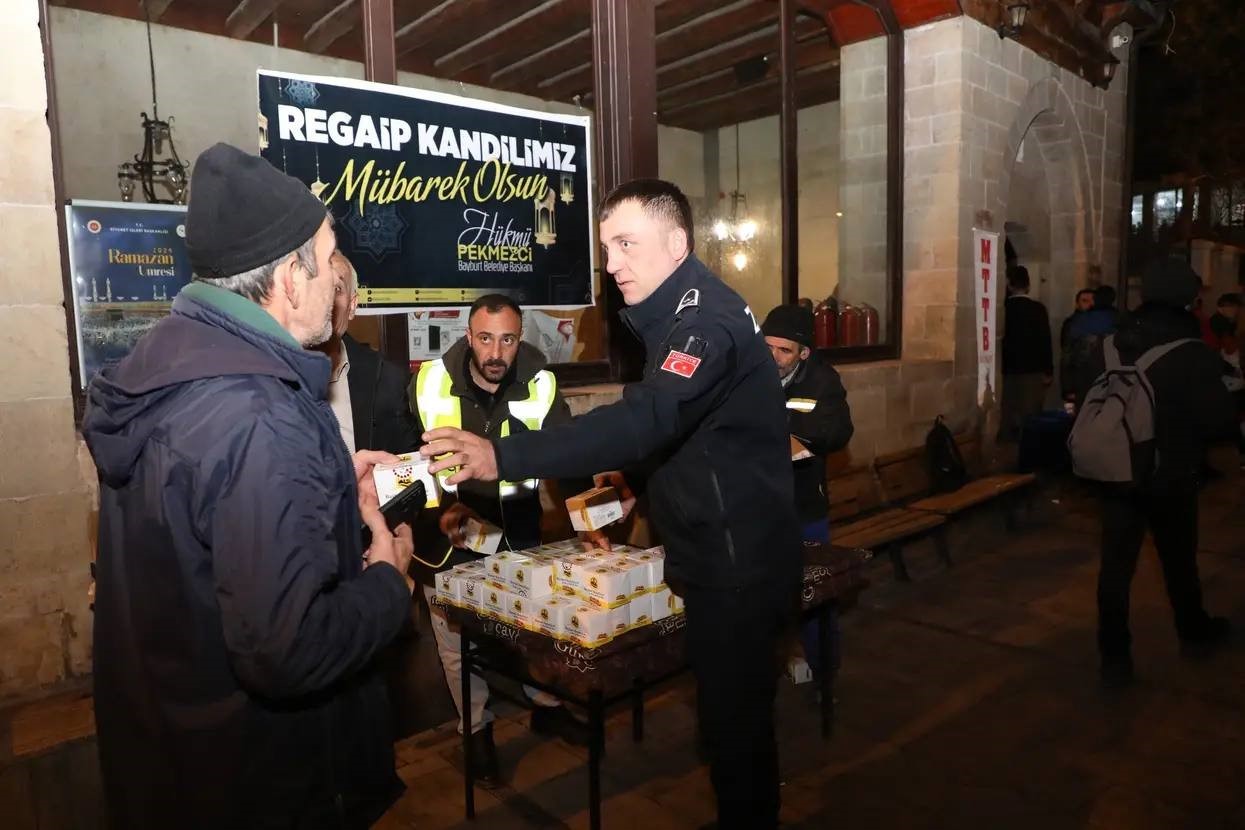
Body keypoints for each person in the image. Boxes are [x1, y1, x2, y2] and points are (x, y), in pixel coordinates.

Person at [420, 179, 801, 830]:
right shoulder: (685, 310)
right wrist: (637, 482)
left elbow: (649, 416)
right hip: (722, 553)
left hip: (737, 567)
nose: (611, 263)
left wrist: (501, 456)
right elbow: (697, 434)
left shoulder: (701, 324)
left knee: (736, 733)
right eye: (606, 248)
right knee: (729, 723)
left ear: (676, 244)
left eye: (626, 244)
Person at [82, 143, 416, 829]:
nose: (335, 278)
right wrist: (387, 580)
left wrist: (324, 482)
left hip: (179, 760)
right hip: (262, 782)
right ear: (289, 280)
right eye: (327, 259)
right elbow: (286, 652)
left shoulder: (170, 363)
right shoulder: (259, 416)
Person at [409, 293, 598, 783]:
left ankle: (546, 704)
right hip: (447, 537)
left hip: (517, 530)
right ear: (469, 337)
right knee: (456, 647)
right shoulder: (427, 383)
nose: (496, 353)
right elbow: (403, 463)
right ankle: (475, 731)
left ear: (520, 340)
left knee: (532, 629)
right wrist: (433, 509)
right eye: (486, 338)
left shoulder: (540, 383)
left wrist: (587, 519)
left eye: (508, 340)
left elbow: (568, 455)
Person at [1078, 256, 1237, 687]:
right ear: (1187, 299)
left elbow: (1084, 390)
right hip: (1170, 475)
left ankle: (1114, 657)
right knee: (1179, 561)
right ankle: (1194, 630)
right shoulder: (1192, 352)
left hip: (1117, 470)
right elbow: (1218, 422)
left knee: (1115, 566)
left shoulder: (1110, 344)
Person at [761, 303, 854, 681]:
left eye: (784, 350)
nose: (774, 357)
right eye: (767, 347)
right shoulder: (748, 373)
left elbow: (837, 431)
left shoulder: (822, 381)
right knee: (763, 599)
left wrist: (793, 431)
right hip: (760, 506)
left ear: (804, 353)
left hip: (804, 505)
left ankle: (824, 670)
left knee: (815, 596)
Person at [316, 251, 420, 456]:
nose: (327, 298)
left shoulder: (388, 380)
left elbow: (407, 465)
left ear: (352, 305)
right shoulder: (269, 375)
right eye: (318, 285)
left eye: (337, 288)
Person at [1000, 265, 1053, 439]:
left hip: (1007, 369)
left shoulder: (1003, 308)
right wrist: (1048, 370)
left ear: (1009, 284)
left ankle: (1006, 452)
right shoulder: (1038, 309)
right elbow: (1045, 341)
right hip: (1033, 369)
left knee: (1006, 413)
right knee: (1030, 418)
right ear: (1028, 285)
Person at [1062, 284, 1119, 404]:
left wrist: (1068, 388)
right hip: (1114, 384)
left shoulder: (1078, 323)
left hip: (1083, 383)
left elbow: (1067, 358)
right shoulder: (1121, 321)